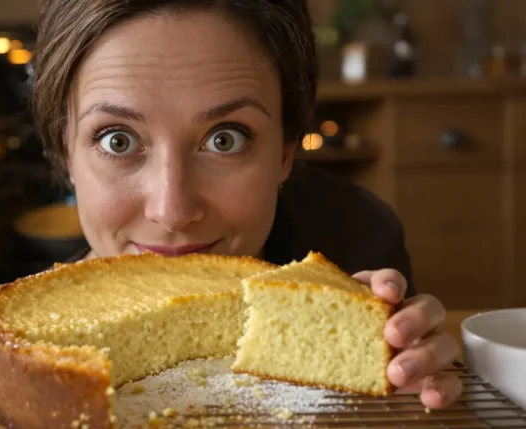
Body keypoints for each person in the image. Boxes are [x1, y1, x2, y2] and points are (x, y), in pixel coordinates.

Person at [30, 0, 461, 409]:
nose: (172, 210)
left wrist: (399, 373)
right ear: (66, 152)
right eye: (117, 140)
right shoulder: (29, 346)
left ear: (286, 152)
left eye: (225, 139)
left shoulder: (355, 236)